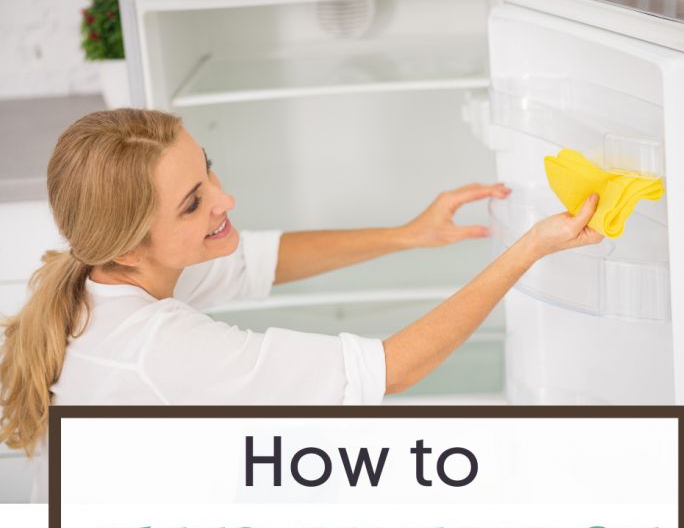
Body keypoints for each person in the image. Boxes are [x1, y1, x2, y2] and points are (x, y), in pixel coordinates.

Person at [0, 108, 602, 498]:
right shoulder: (161, 350)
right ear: (131, 247)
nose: (225, 198)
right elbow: (390, 369)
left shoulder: (104, 280)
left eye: (208, 172)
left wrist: (408, 233)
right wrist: (530, 249)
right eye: (193, 202)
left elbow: (265, 259)